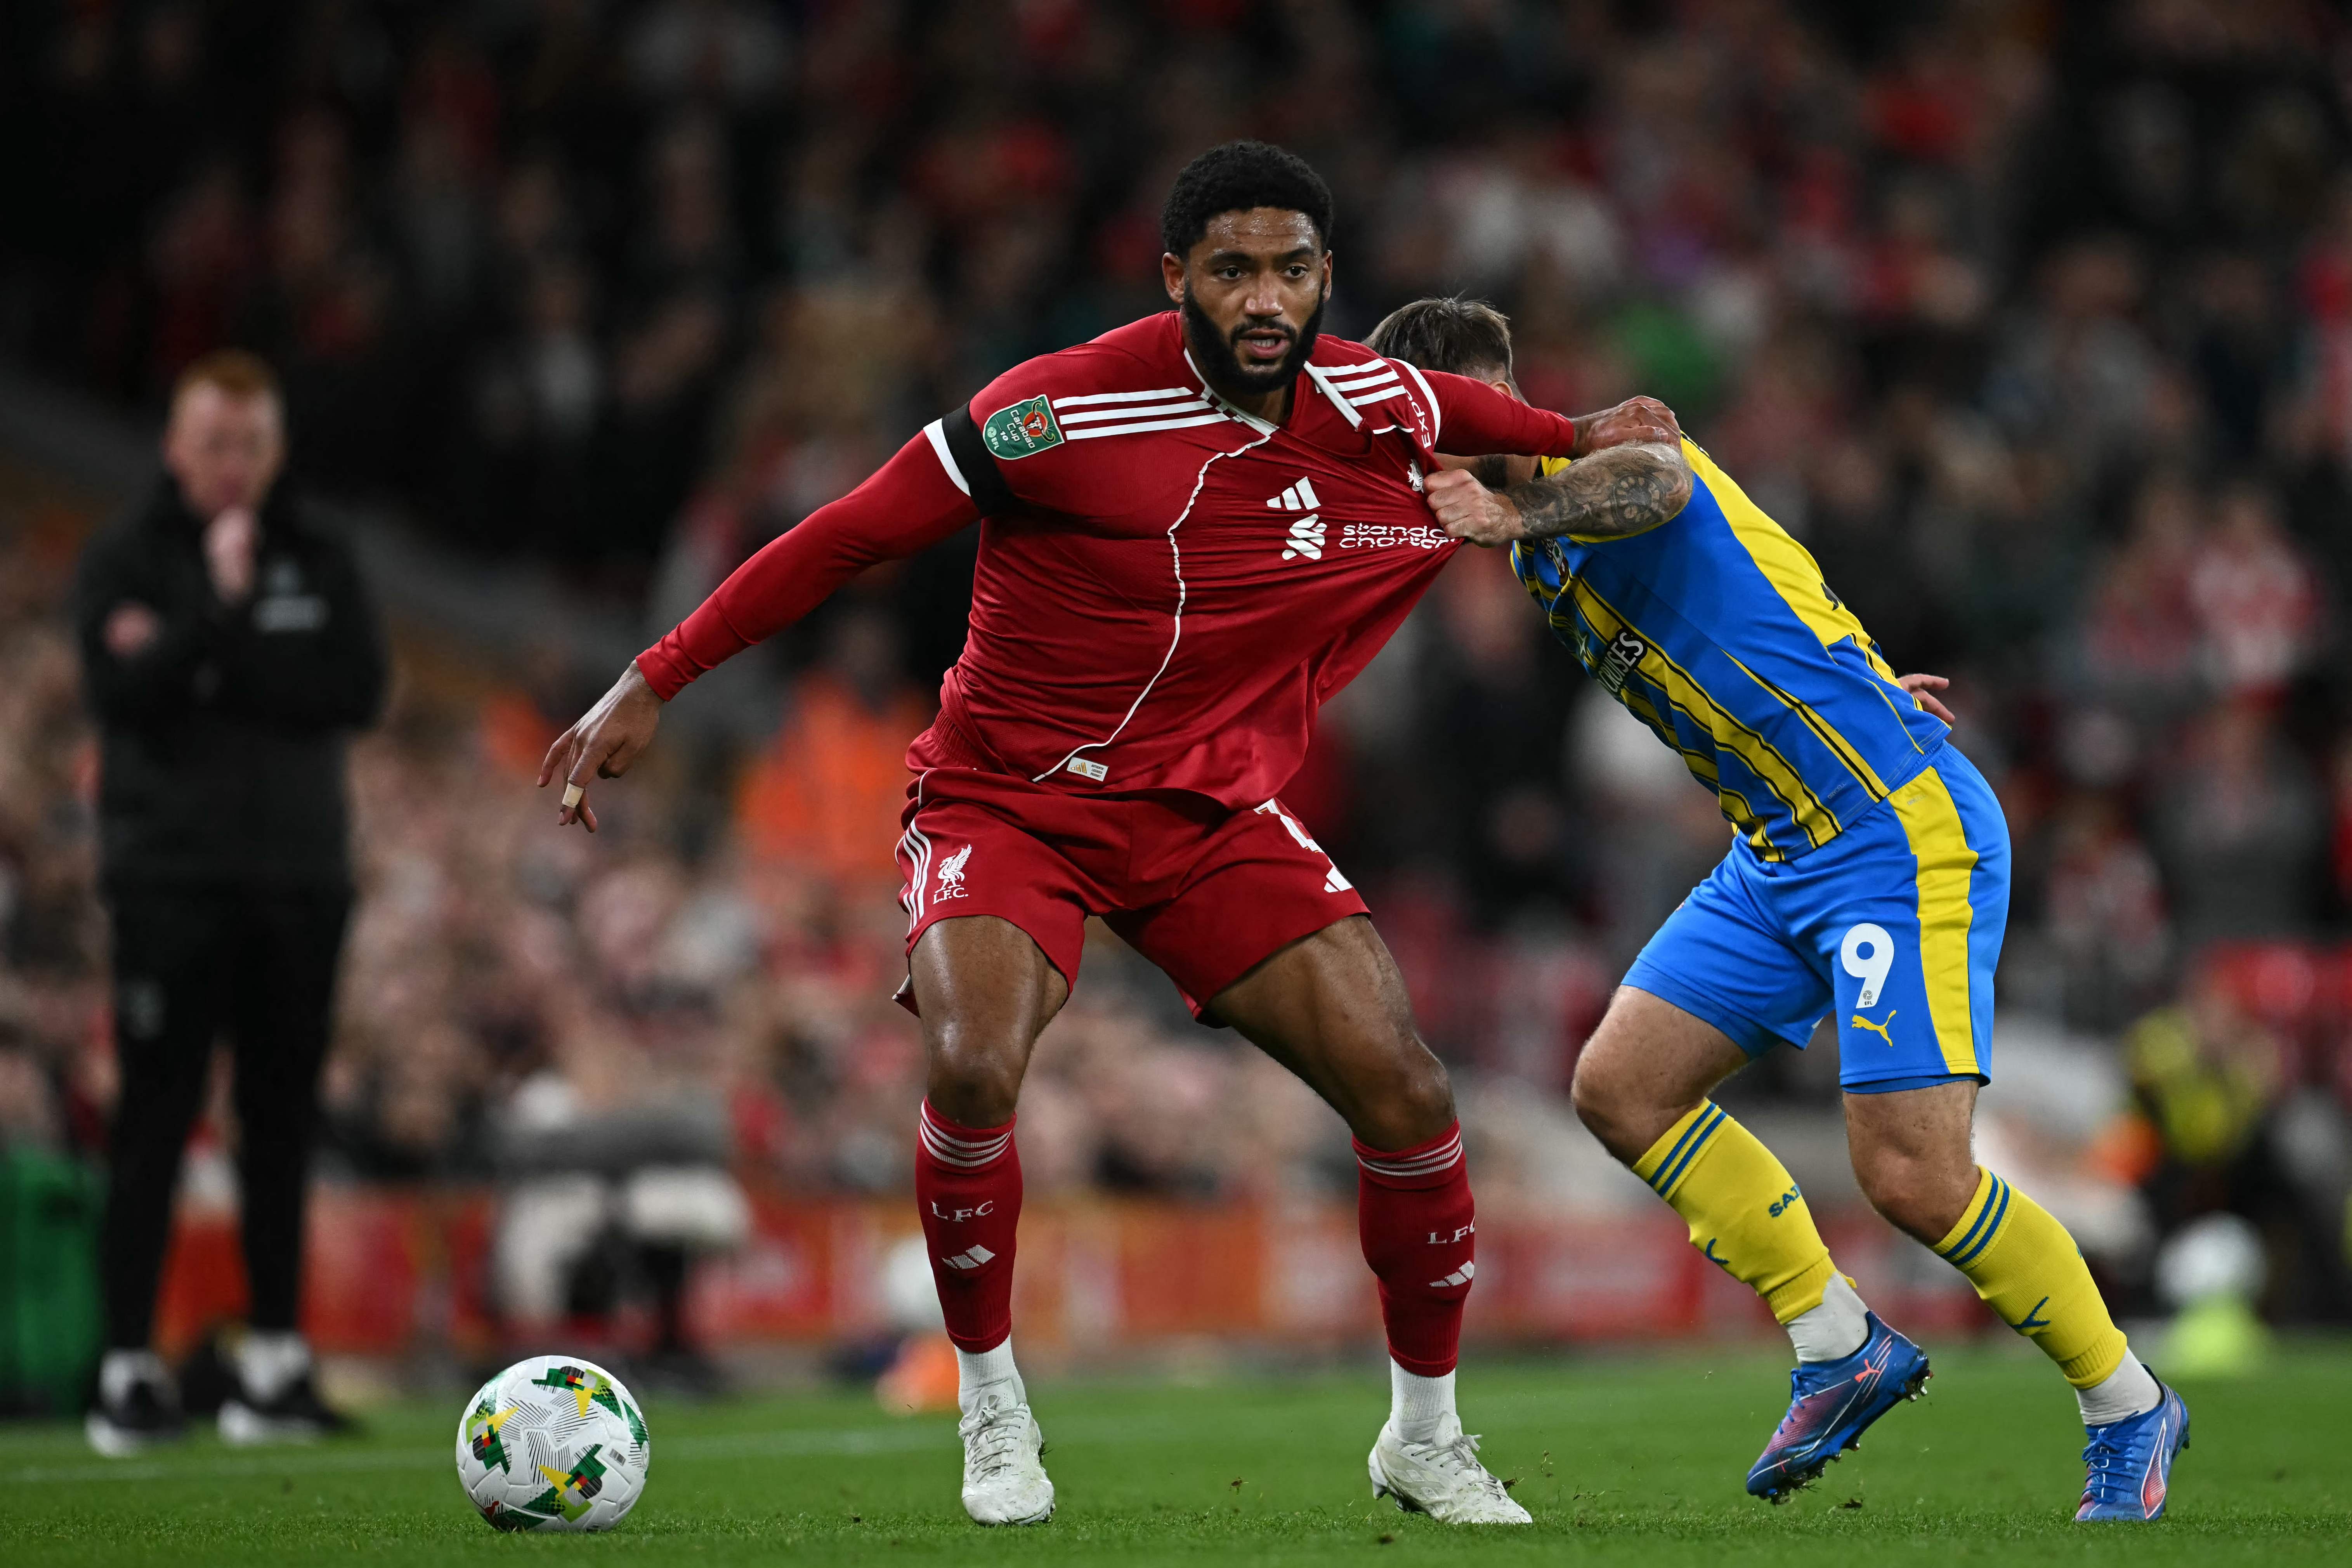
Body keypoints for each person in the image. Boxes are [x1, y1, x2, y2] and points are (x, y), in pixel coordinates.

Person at [541, 142, 1677, 1526]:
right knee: (970, 1062)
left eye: (1295, 269)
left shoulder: (1388, 404)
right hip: (1007, 798)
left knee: (1409, 1091)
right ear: (1176, 279)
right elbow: (844, 535)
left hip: (1202, 814)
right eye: (1234, 270)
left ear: (1329, 277)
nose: (1267, 299)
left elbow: (1646, 458)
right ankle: (988, 1405)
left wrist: (1531, 505)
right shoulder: (1053, 412)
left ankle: (1423, 1441)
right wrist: (652, 677)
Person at [1374, 296, 2189, 1523]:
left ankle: (2127, 1404)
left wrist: (1519, 503)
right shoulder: (1531, 535)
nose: (1407, 456)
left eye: (1414, 428)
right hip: (1778, 849)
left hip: (1886, 832)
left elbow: (1656, 483)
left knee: (1912, 1178)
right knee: (1620, 1088)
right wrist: (1848, 671)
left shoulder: (1588, 465)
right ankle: (1835, 1340)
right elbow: (1752, 587)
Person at [74, 350, 387, 1454]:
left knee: (283, 1124)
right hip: (170, 879)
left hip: (301, 881)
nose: (229, 465)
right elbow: (118, 692)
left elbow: (354, 690)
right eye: (211, 442)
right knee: (155, 1117)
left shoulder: (320, 546)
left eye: (248, 445)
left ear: (276, 449)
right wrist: (222, 613)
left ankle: (273, 1361)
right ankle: (124, 1369)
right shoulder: (123, 553)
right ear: (173, 445)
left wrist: (202, 655)